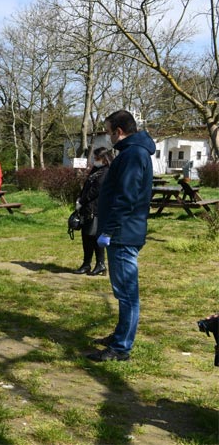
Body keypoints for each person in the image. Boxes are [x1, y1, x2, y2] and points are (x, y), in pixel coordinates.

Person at [88, 109, 154, 362]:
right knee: (122, 292)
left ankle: (121, 348)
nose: (108, 137)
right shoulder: (130, 153)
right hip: (122, 231)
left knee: (127, 293)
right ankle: (119, 335)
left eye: (108, 131)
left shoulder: (134, 154)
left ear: (118, 131)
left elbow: (126, 198)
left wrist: (109, 230)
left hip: (124, 233)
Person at [73, 147, 113, 276]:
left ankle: (100, 264)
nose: (95, 160)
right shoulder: (96, 170)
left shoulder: (106, 171)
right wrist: (79, 198)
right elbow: (87, 186)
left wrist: (82, 201)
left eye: (97, 158)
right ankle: (86, 264)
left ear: (104, 158)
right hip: (87, 208)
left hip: (96, 209)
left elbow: (95, 190)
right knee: (86, 237)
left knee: (95, 237)